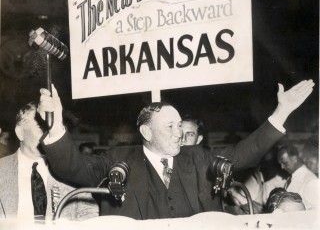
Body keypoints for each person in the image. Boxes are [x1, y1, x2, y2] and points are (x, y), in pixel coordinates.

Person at [39, 80, 314, 219]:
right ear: (146, 132)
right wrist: (55, 127)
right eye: (169, 126)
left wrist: (282, 112)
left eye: (180, 125)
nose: (179, 132)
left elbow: (244, 154)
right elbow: (71, 167)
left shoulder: (199, 157)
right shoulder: (118, 161)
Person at [0, 102, 99, 220]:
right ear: (20, 132)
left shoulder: (71, 169)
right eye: (41, 127)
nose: (48, 134)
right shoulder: (2, 169)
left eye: (50, 128)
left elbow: (88, 213)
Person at [277, 143, 319, 210]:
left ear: (295, 158)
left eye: (285, 163)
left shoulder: (311, 181)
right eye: (280, 164)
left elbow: (315, 213)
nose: (282, 167)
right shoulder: (289, 179)